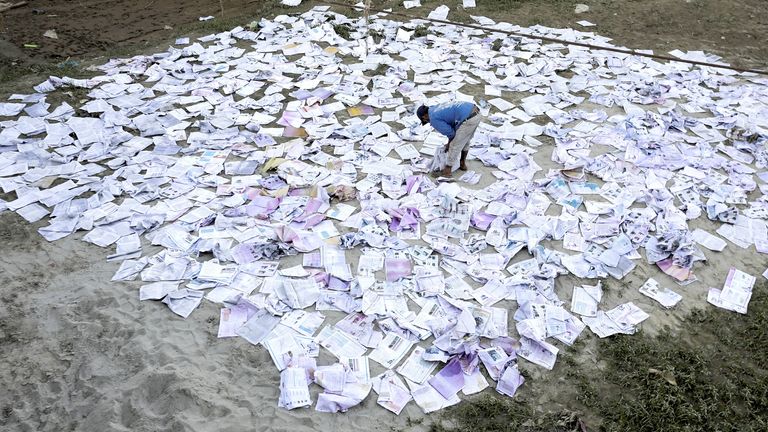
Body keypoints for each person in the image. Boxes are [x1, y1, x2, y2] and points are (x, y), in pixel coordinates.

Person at [417, 101, 481, 178]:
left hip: (468, 118)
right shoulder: (434, 108)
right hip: (475, 112)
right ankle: (462, 164)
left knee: (454, 145)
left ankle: (447, 171)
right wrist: (448, 142)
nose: (428, 122)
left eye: (426, 121)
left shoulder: (433, 118)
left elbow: (451, 134)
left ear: (424, 117)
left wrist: (449, 144)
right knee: (465, 140)